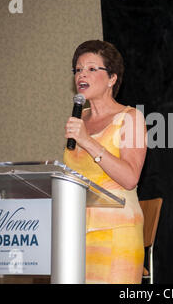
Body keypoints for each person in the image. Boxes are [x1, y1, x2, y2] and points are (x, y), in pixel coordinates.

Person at [63, 40, 147, 284]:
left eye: (91, 68)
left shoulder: (130, 118)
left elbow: (130, 178)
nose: (82, 74)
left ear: (112, 78)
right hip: (74, 235)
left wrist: (87, 141)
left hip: (117, 233)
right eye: (78, 69)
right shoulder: (78, 120)